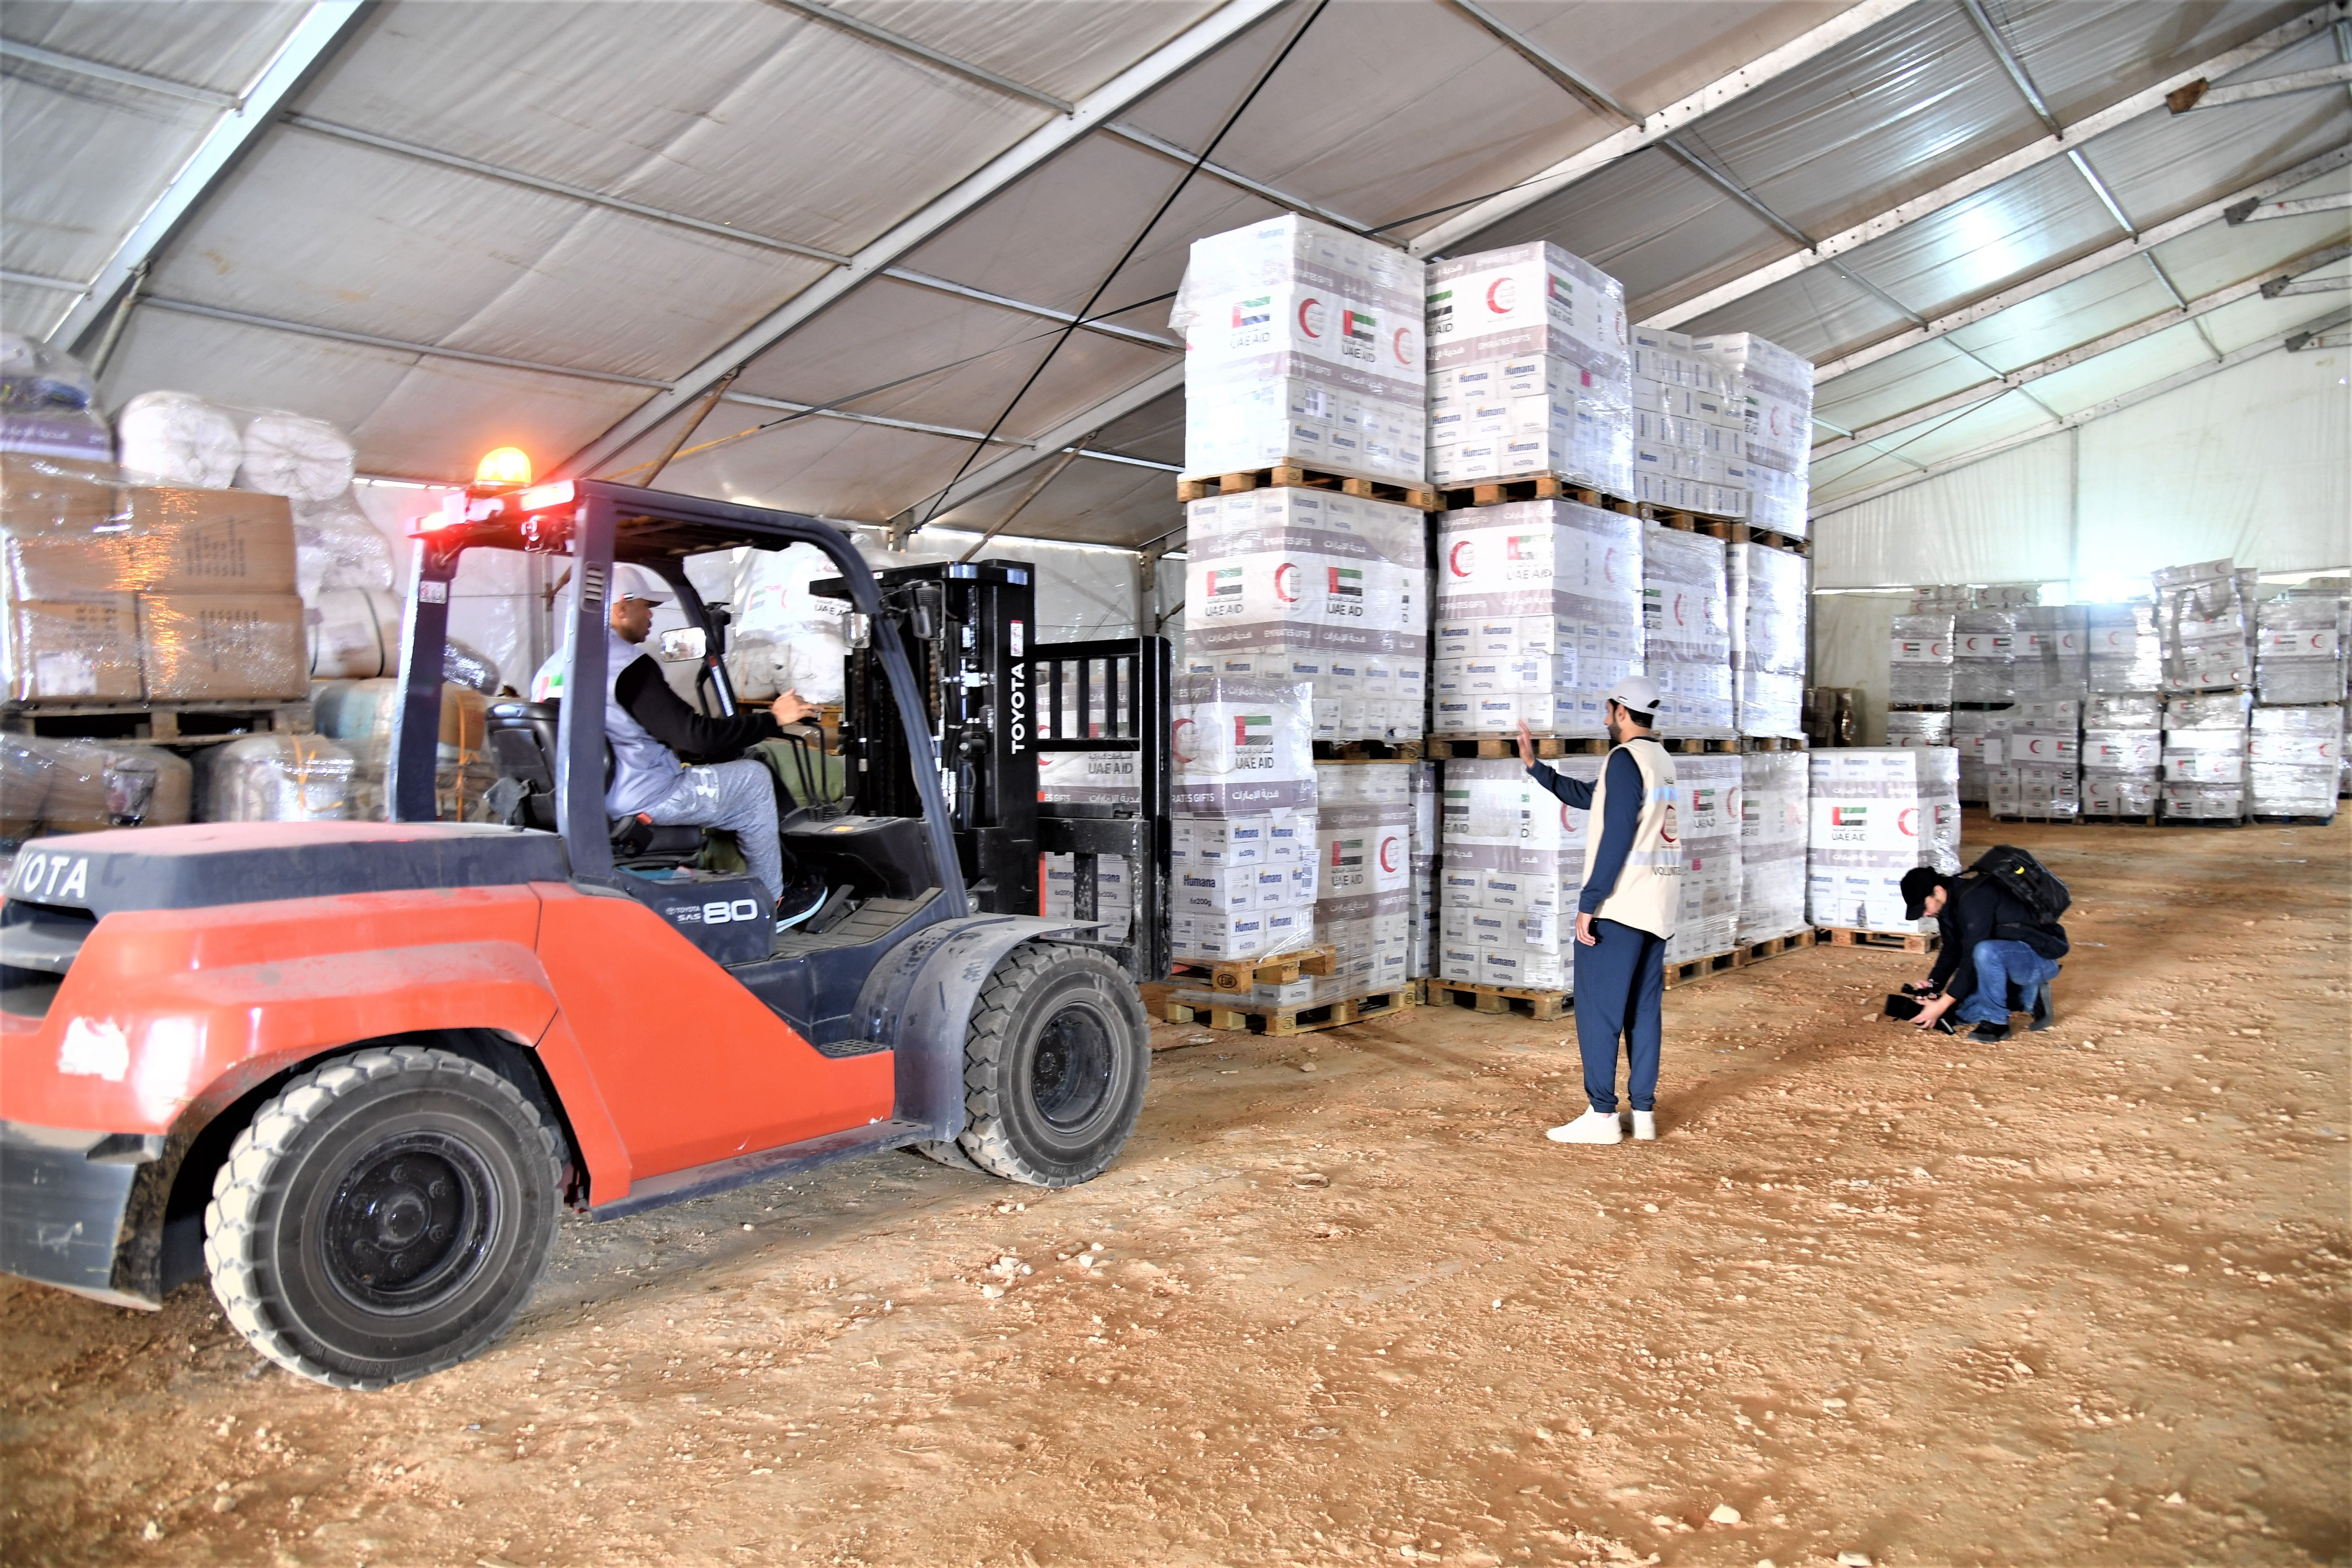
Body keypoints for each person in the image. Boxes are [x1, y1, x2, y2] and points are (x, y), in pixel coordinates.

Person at [597, 564, 823, 927]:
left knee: (722, 774)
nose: (651, 613)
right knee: (752, 778)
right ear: (621, 608)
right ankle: (771, 903)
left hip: (596, 798)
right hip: (645, 796)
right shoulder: (626, 666)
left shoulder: (560, 665)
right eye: (646, 605)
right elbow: (695, 736)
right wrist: (774, 719)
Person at [1514, 675, 1681, 1146]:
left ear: (1622, 711)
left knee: (1599, 1011)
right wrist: (1536, 768)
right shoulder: (1659, 759)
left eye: (1608, 709)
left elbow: (1616, 836)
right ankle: (1643, 1114)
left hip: (1621, 906)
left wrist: (1590, 903)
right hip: (1657, 904)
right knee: (1644, 1011)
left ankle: (1603, 1114)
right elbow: (1596, 799)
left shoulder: (1626, 759)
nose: (1604, 717)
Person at [1897, 864, 2064, 1042]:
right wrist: (1933, 986)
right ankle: (2029, 995)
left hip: (2039, 959)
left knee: (1985, 952)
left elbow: (1971, 956)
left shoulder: (1975, 898)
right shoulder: (1949, 906)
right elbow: (1952, 948)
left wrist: (1942, 1003)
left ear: (1937, 891)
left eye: (1924, 907)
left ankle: (1997, 1022)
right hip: (2009, 960)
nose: (1925, 914)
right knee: (1956, 1015)